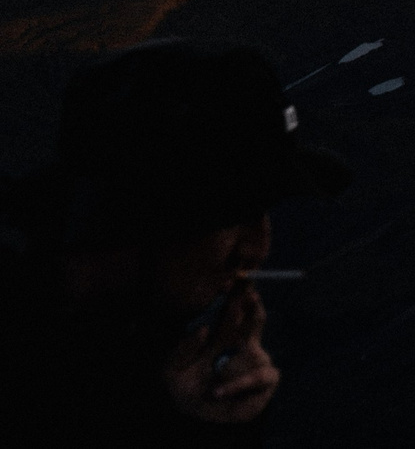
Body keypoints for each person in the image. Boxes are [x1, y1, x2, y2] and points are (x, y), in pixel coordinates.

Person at [0, 40, 350, 444]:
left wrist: (207, 418)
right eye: (235, 218)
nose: (256, 250)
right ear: (143, 217)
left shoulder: (120, 336)